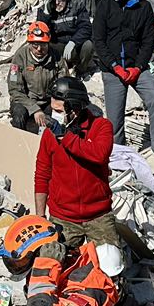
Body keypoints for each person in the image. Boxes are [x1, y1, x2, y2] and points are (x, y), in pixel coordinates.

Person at [92, 0, 154, 163]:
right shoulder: (105, 6)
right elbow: (98, 41)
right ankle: (119, 156)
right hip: (112, 70)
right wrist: (115, 66)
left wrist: (137, 67)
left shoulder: (143, 8)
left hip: (137, 67)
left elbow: (147, 42)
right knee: (114, 119)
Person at [34, 75, 122, 246]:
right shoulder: (49, 135)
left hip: (98, 215)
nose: (55, 115)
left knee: (111, 260)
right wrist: (40, 216)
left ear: (75, 109)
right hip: (63, 216)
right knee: (51, 257)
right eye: (53, 110)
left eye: (59, 111)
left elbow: (99, 155)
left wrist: (65, 137)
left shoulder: (101, 126)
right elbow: (42, 174)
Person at [8, 21, 66, 133]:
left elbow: (63, 84)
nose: (39, 49)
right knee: (19, 114)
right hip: (25, 101)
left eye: (43, 45)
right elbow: (15, 90)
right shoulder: (20, 57)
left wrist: (58, 102)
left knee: (57, 123)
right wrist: (34, 109)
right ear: (29, 43)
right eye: (35, 45)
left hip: (48, 101)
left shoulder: (57, 57)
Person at [37, 0, 96, 74]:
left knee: (88, 45)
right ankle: (56, 70)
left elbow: (86, 27)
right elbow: (40, 32)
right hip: (57, 46)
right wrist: (46, 14)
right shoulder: (44, 10)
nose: (57, 3)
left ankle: (80, 71)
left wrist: (73, 42)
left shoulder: (77, 6)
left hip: (75, 44)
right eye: (54, 0)